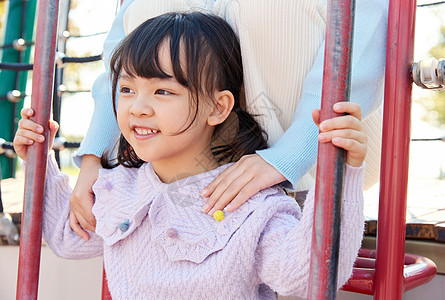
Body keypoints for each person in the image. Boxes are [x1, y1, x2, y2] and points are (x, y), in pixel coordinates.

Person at [14, 12, 367, 299]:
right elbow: (67, 236)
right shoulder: (121, 186)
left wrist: (342, 174)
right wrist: (38, 159)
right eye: (126, 89)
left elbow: (304, 277)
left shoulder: (246, 203)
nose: (138, 108)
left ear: (218, 107)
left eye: (163, 91)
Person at [69, 0, 387, 240]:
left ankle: (285, 179)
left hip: (310, 159)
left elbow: (365, 35)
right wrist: (94, 157)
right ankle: (161, 174)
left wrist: (287, 158)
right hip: (177, 168)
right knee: (151, 8)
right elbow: (117, 58)